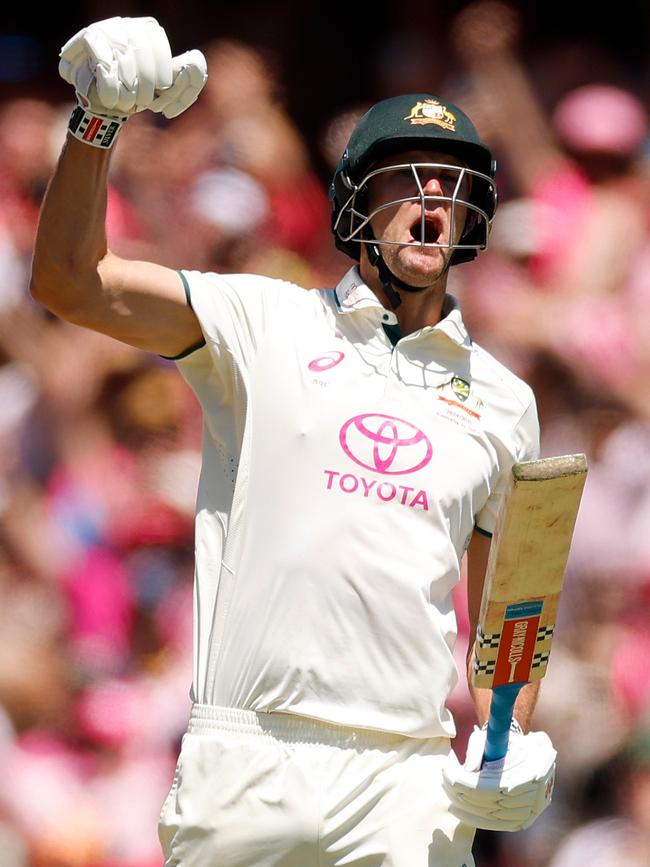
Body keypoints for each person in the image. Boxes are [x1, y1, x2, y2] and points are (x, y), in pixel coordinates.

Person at [30, 15, 557, 867]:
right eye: (405, 180)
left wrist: (509, 737)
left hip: (406, 777)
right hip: (249, 758)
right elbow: (68, 281)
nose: (432, 199)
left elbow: (514, 609)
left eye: (452, 184)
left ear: (474, 213)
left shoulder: (505, 402)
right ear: (355, 201)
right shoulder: (263, 319)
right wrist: (96, 124)